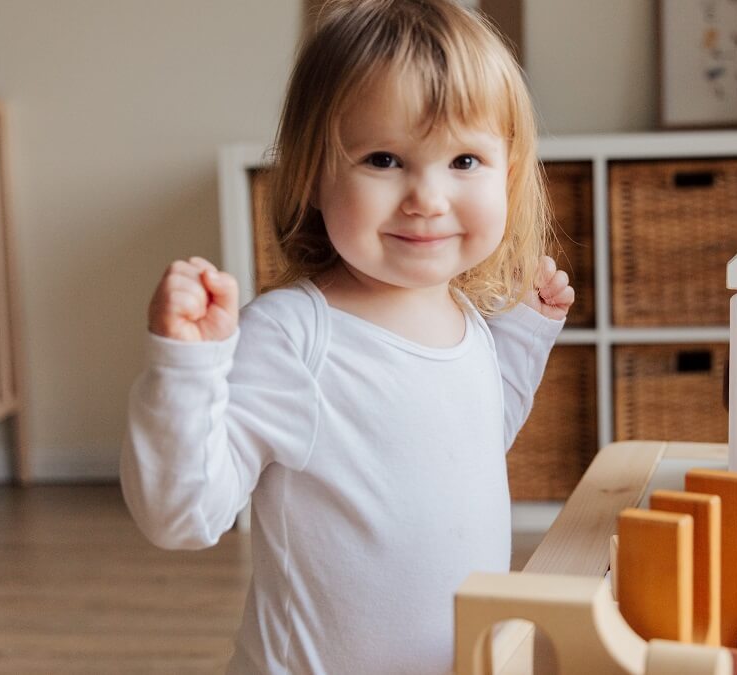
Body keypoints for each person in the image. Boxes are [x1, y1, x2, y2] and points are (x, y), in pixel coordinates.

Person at [120, 0, 573, 672]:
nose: (428, 196)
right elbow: (181, 513)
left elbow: (473, 441)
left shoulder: (467, 321)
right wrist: (188, 368)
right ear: (313, 174)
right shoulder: (295, 339)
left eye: (465, 161)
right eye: (385, 158)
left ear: (507, 174)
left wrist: (521, 339)